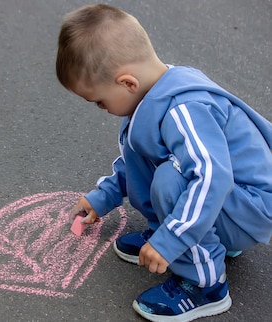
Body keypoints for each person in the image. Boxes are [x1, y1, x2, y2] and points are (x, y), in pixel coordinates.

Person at [56, 4, 272, 321]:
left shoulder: (183, 110)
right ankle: (183, 232)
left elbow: (212, 178)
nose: (100, 107)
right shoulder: (158, 92)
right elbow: (136, 157)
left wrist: (172, 240)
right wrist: (103, 197)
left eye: (99, 100)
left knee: (172, 180)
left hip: (250, 210)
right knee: (162, 161)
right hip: (231, 202)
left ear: (127, 82)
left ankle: (205, 285)